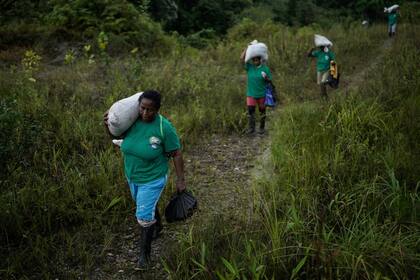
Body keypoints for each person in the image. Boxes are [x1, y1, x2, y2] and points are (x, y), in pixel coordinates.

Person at [104, 90, 186, 269]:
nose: (145, 113)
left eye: (150, 110)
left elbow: (177, 153)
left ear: (157, 109)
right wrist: (108, 126)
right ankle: (157, 226)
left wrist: (181, 180)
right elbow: (117, 137)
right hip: (132, 175)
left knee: (142, 215)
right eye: (142, 108)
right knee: (145, 204)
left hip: (153, 178)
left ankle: (144, 257)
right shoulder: (132, 121)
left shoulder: (164, 127)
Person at [240, 48, 273, 135]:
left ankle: (262, 128)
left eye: (256, 60)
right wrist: (247, 48)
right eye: (253, 60)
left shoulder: (265, 69)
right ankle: (251, 128)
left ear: (260, 60)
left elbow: (270, 81)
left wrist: (266, 78)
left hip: (262, 94)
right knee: (251, 111)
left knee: (262, 111)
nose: (255, 62)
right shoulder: (250, 67)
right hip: (251, 94)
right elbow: (242, 59)